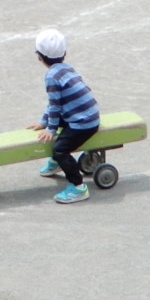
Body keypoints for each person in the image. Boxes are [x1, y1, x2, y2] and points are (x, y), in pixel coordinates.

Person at [29, 28, 102, 204]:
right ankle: (58, 163)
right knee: (58, 131)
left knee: (60, 150)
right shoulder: (66, 69)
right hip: (87, 113)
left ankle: (78, 187)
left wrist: (51, 129)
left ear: (39, 57)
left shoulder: (52, 76)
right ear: (64, 54)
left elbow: (55, 105)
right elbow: (56, 104)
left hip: (84, 122)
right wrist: (44, 122)